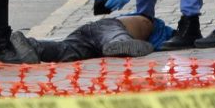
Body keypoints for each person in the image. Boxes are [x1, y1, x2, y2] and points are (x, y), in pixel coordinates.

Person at [10, 14, 174, 63]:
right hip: (108, 27)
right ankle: (120, 43)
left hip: (89, 40)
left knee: (64, 51)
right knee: (115, 37)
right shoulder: (158, 26)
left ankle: (32, 45)